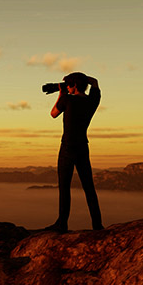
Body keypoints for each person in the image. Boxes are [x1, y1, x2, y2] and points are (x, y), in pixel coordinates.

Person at [45, 72, 104, 233]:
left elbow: (53, 114)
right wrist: (84, 79)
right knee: (89, 187)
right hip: (83, 147)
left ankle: (62, 224)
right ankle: (97, 225)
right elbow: (96, 82)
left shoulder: (67, 99)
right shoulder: (92, 101)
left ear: (74, 85)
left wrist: (61, 93)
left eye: (69, 84)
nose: (67, 87)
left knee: (64, 187)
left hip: (68, 147)